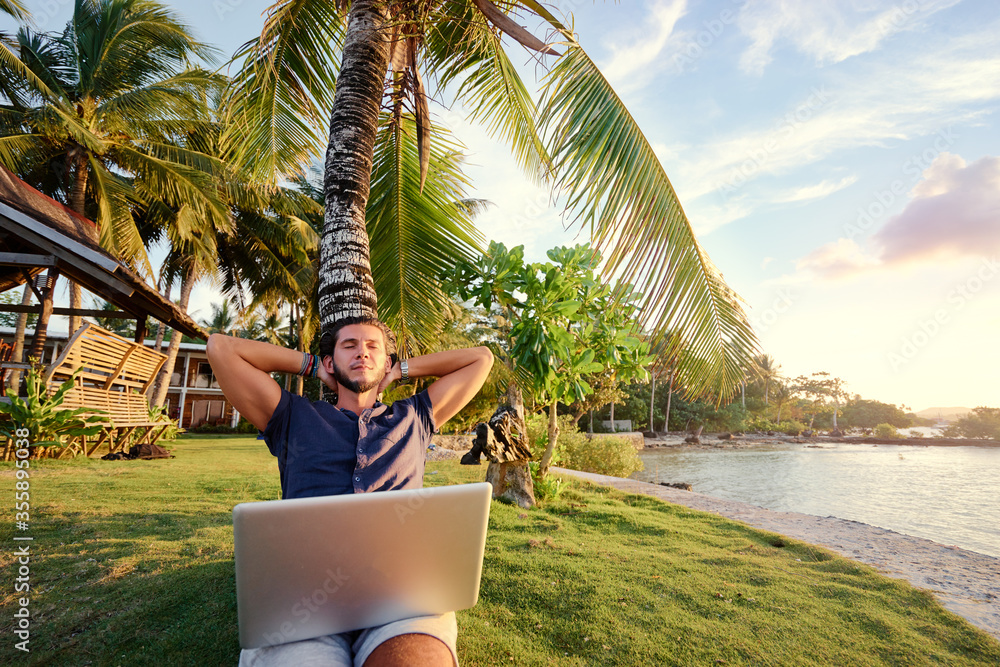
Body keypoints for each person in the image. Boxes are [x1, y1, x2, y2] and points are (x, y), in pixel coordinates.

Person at [206, 317, 494, 667]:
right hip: (302, 600)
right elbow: (221, 348)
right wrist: (311, 366)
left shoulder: (415, 417)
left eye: (373, 347)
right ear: (330, 362)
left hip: (400, 596)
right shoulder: (291, 415)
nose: (362, 353)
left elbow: (481, 358)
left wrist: (400, 369)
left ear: (386, 362)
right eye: (349, 346)